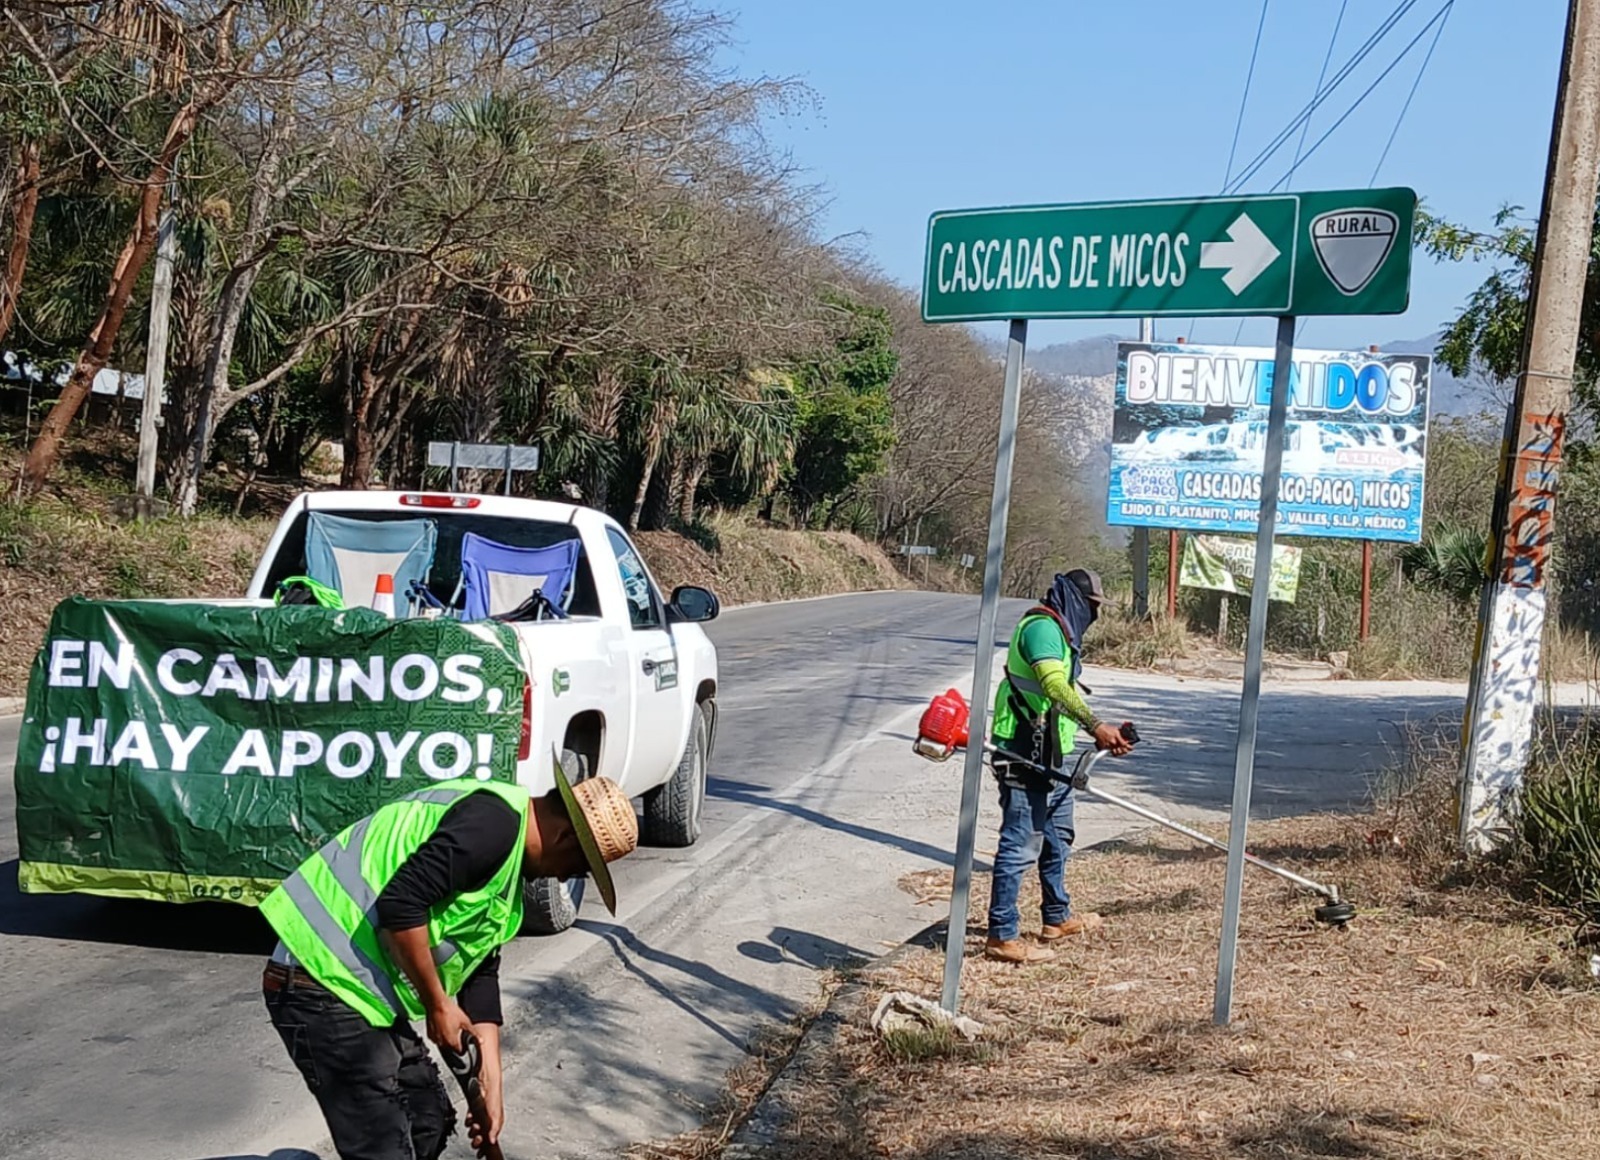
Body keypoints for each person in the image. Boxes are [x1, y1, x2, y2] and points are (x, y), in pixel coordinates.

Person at [259, 763, 639, 1160]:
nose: (562, 878)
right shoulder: (493, 826)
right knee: (384, 1149)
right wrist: (438, 1006)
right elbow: (400, 905)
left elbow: (479, 973)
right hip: (315, 980)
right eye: (576, 868)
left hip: (358, 991)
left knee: (428, 1121)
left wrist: (491, 1087)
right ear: (564, 836)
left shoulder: (507, 863)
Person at [985, 568, 1135, 964]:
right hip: (1023, 750)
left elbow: (1060, 696)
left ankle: (1057, 917)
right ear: (1074, 600)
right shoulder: (1042, 629)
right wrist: (1096, 725)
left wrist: (1098, 733)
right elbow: (1052, 686)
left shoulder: (1062, 632)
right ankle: (1002, 935)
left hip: (1053, 752)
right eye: (1092, 605)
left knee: (1057, 838)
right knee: (1020, 843)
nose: (1095, 613)